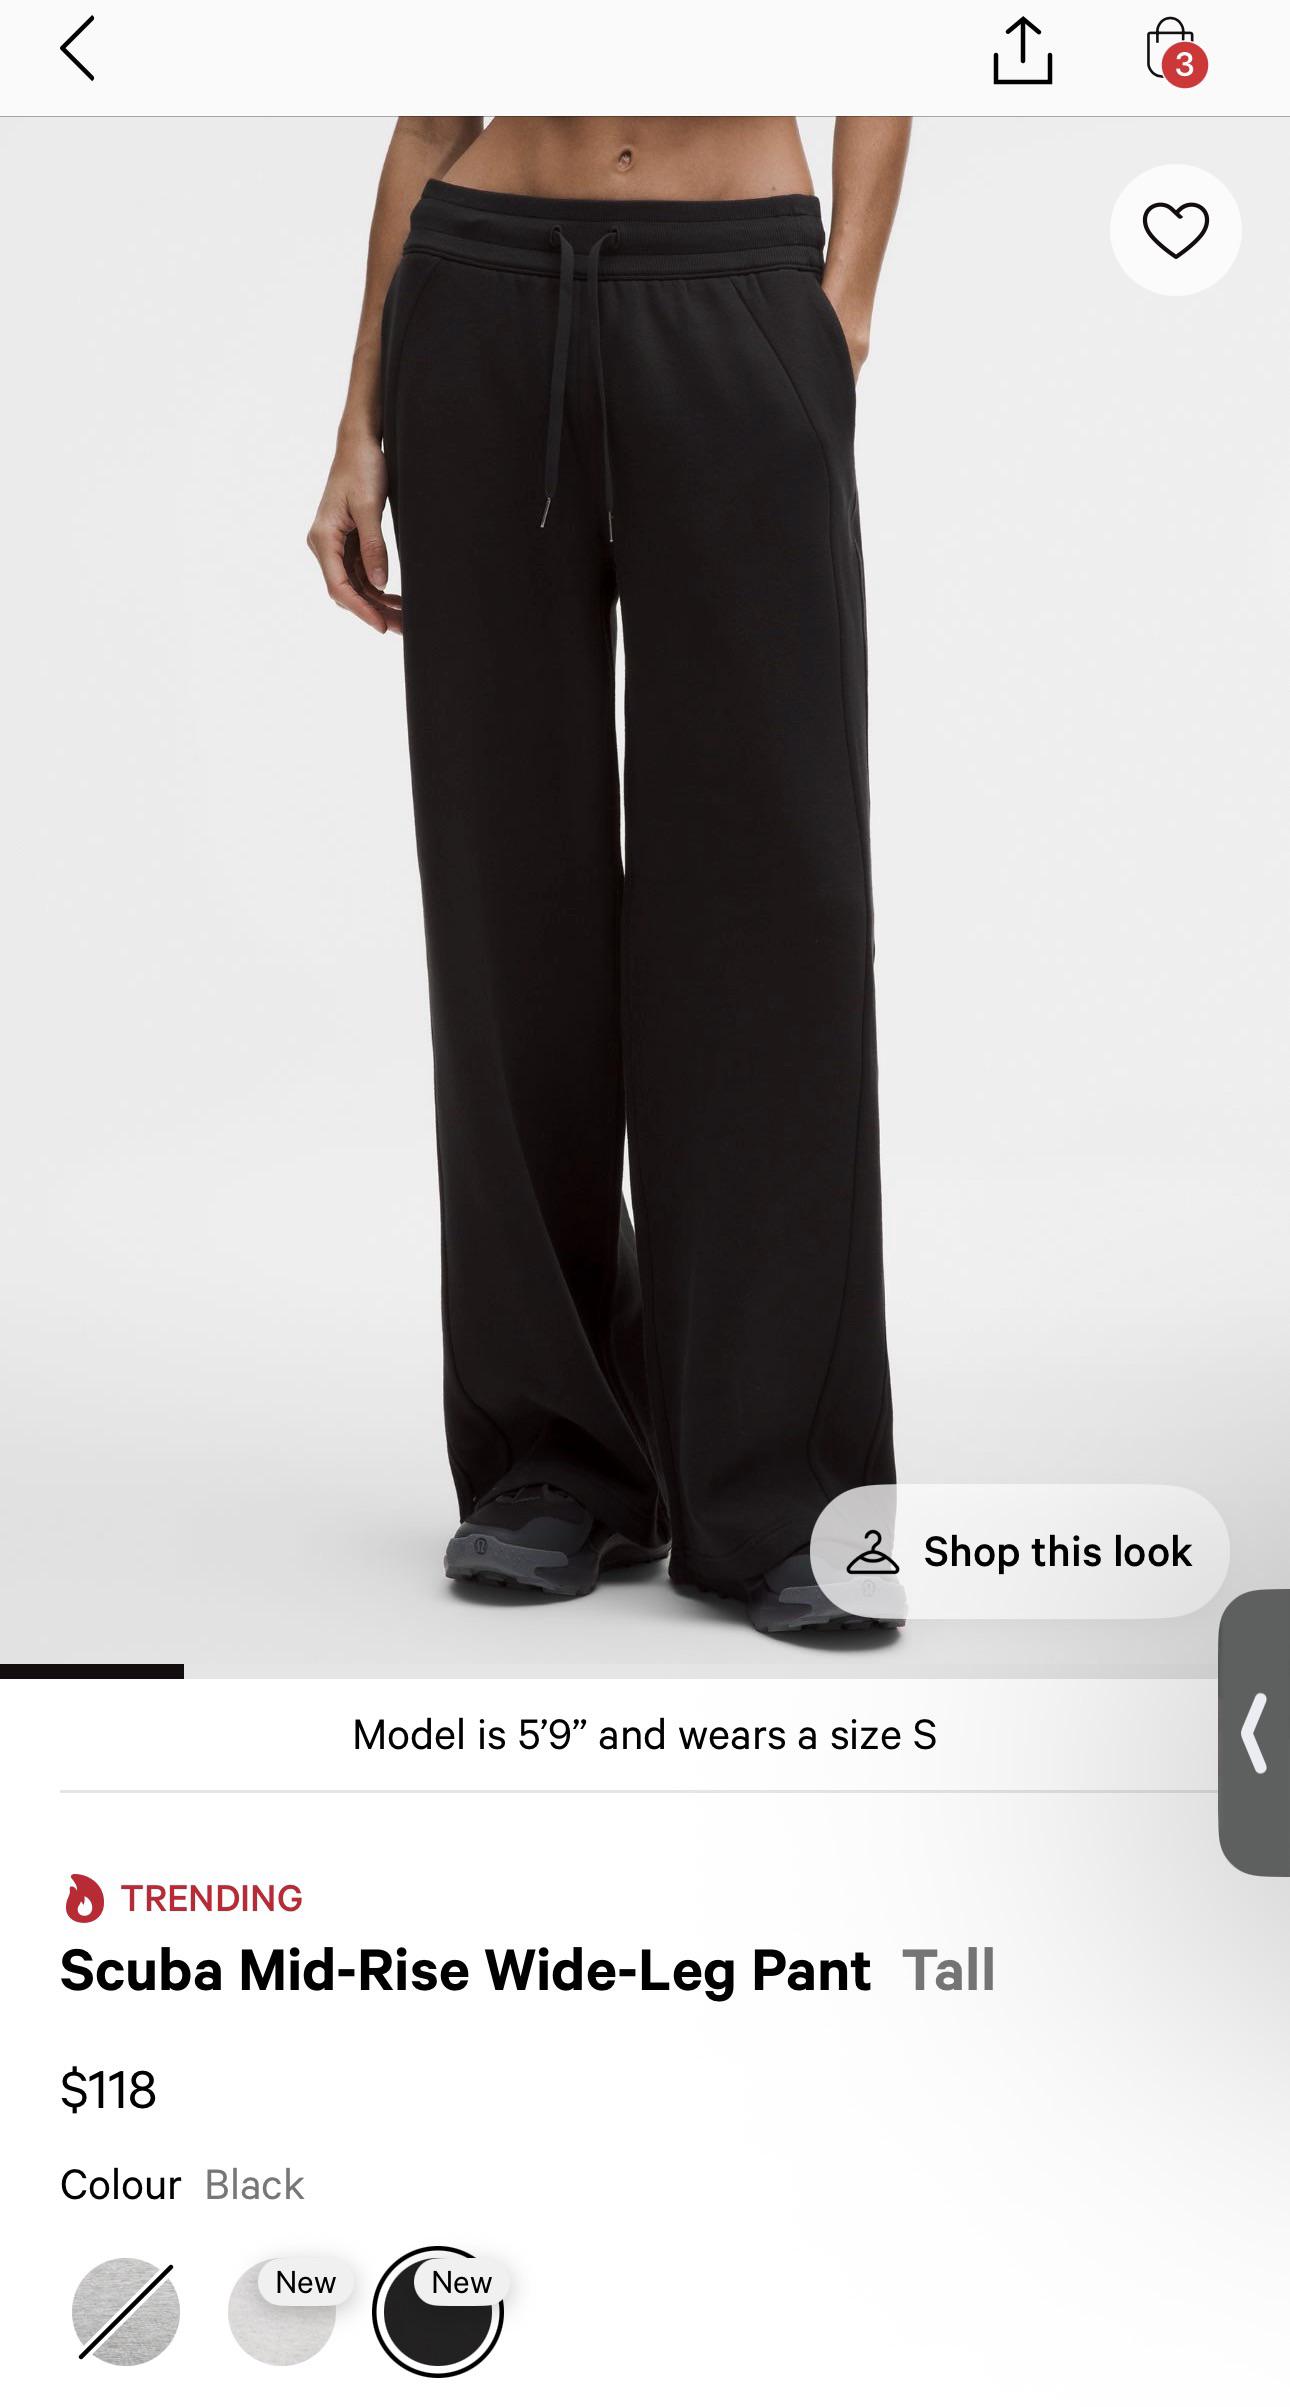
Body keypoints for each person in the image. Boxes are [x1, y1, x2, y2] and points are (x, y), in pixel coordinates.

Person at [308, 117, 910, 1635]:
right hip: (483, 294)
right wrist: (358, 425)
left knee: (771, 910)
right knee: (508, 898)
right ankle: (554, 1463)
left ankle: (784, 1493)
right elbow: (430, 118)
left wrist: (838, 309)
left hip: (736, 291)